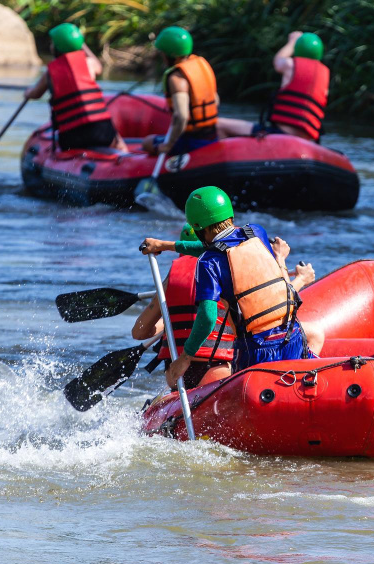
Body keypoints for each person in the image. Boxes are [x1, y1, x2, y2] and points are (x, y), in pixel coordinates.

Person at [139, 186, 323, 388]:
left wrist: (185, 358)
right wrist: (166, 245)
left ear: (199, 228)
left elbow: (208, 317)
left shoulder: (208, 263)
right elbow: (220, 246)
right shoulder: (256, 233)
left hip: (256, 352)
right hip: (292, 336)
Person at [132, 224, 234, 389]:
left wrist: (168, 325)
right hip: (218, 368)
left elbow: (139, 332)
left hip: (177, 374)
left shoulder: (169, 281)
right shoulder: (229, 268)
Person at [24, 24, 127, 152]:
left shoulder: (51, 72)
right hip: (100, 129)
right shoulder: (89, 64)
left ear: (57, 47)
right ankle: (125, 158)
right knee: (120, 145)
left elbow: (35, 94)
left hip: (71, 135)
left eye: (52, 43)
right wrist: (81, 44)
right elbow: (98, 66)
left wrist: (27, 93)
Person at [217, 32, 329, 143]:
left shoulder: (290, 65)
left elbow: (278, 61)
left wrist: (292, 41)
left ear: (297, 49)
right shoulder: (325, 75)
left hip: (281, 133)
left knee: (219, 125)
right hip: (306, 140)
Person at [142, 27, 219, 156]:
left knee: (147, 142)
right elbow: (215, 100)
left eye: (162, 52)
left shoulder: (176, 78)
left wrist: (169, 144)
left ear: (169, 54)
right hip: (211, 136)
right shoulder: (200, 66)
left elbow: (182, 116)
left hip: (192, 141)